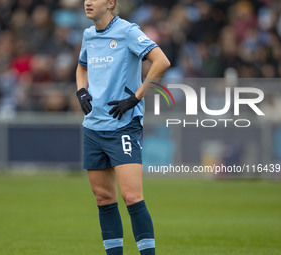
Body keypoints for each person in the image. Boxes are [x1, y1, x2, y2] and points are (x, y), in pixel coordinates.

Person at [76, 0, 170, 254]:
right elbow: (81, 66)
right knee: (103, 199)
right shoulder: (88, 35)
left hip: (123, 126)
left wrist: (135, 98)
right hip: (93, 127)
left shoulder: (128, 31)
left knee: (132, 197)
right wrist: (81, 90)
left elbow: (161, 61)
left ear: (110, 3)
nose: (87, 2)